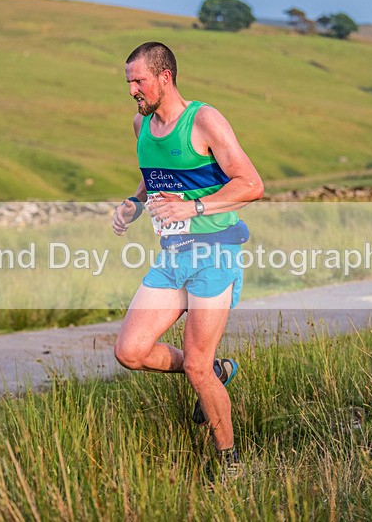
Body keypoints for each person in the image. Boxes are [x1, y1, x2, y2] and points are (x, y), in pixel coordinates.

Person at [111, 41, 263, 483]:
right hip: (172, 257)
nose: (133, 90)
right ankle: (215, 372)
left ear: (165, 76)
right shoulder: (140, 123)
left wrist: (193, 208)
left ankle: (232, 463)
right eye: (129, 83)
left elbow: (251, 184)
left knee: (195, 365)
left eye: (138, 81)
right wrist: (133, 202)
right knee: (130, 351)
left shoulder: (204, 120)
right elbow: (153, 172)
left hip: (215, 253)